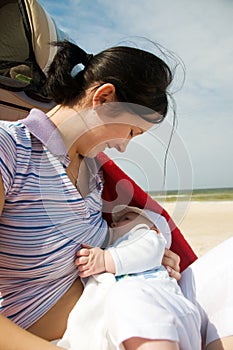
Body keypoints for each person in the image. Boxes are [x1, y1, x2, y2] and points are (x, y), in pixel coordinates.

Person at [0, 39, 232, 350]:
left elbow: (90, 247)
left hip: (128, 307)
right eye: (132, 132)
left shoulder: (93, 171)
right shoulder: (11, 149)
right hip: (74, 337)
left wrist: (141, 255)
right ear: (104, 97)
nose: (124, 147)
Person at [57, 204, 201, 350]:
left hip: (166, 312)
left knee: (129, 295)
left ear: (155, 230)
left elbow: (148, 249)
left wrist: (104, 259)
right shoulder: (114, 251)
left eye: (126, 218)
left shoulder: (148, 239)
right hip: (127, 328)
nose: (114, 224)